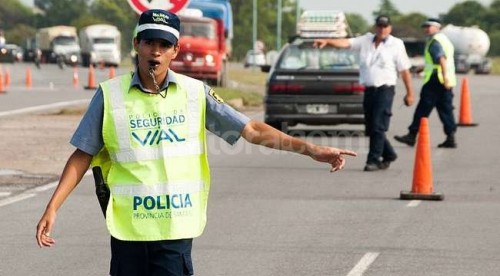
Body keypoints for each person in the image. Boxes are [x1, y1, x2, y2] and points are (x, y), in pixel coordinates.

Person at [35, 9, 357, 276]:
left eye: (165, 44)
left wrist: (312, 149)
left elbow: (253, 130)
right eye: (149, 42)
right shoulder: (110, 95)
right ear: (136, 44)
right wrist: (53, 207)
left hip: (175, 229)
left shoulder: (195, 93)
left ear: (176, 50)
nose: (156, 51)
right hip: (129, 230)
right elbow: (82, 155)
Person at [314, 15, 414, 172]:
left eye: (385, 26)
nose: (382, 29)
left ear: (390, 28)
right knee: (371, 126)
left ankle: (373, 160)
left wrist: (410, 93)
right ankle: (389, 154)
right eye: (379, 26)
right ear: (375, 27)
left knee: (378, 126)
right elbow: (346, 43)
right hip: (369, 90)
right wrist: (328, 41)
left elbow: (404, 70)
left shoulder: (396, 44)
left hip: (385, 90)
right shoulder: (366, 40)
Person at [394, 18, 457, 148]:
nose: (426, 29)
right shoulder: (445, 40)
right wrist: (421, 68)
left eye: (430, 26)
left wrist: (444, 78)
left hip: (435, 81)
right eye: (425, 26)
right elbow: (435, 63)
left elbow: (441, 60)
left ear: (437, 27)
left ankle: (412, 135)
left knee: (423, 109)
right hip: (444, 81)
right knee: (446, 109)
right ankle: (451, 137)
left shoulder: (434, 42)